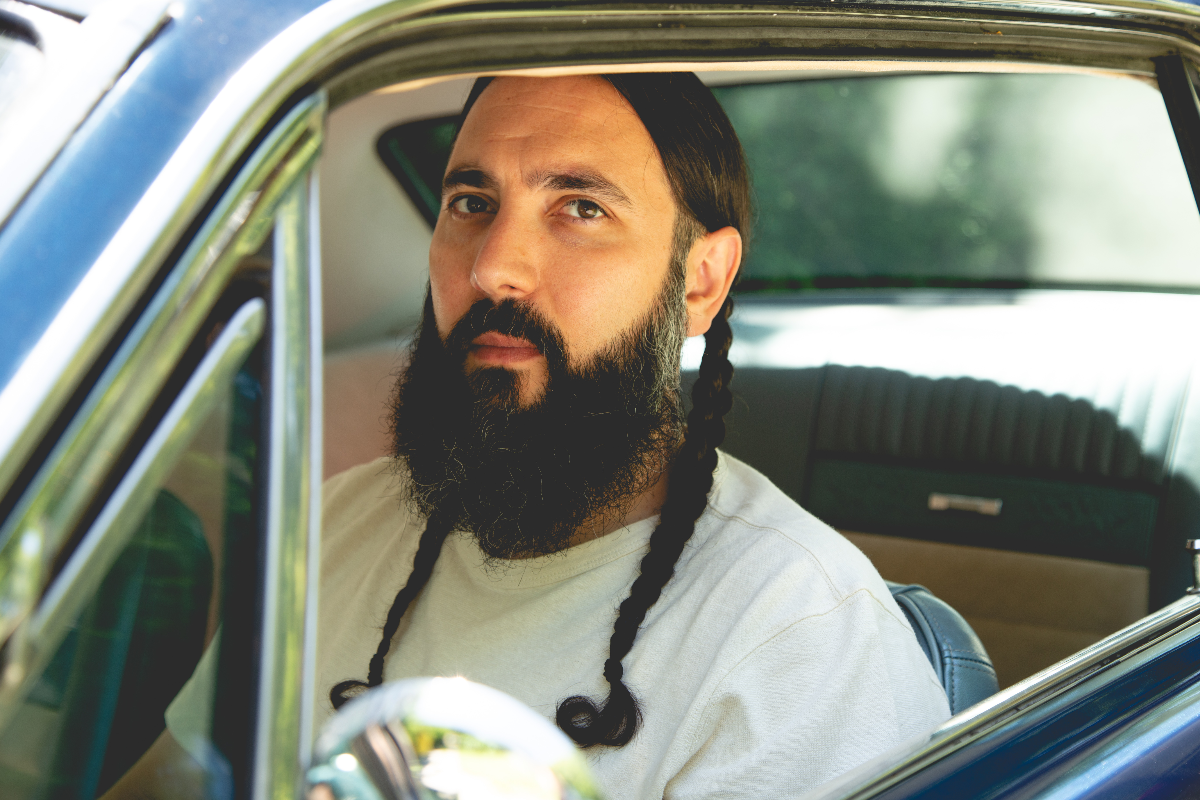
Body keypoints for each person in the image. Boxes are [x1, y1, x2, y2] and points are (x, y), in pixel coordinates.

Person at [119, 71, 950, 800]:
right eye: (472, 204)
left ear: (701, 283)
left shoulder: (798, 640)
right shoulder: (334, 530)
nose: (493, 267)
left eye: (581, 208)